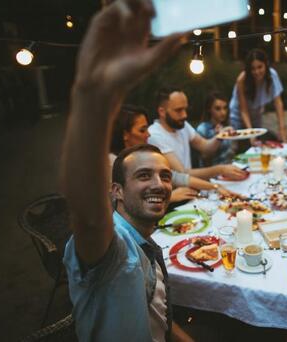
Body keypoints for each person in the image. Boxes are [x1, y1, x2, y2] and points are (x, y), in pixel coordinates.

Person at [61, 1, 193, 340]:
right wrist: (93, 96)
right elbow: (88, 218)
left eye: (164, 175)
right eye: (143, 175)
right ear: (116, 190)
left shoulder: (146, 244)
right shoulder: (114, 246)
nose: (161, 184)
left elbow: (156, 312)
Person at [111, 105, 239, 202]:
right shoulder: (111, 162)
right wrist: (170, 197)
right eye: (142, 130)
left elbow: (176, 177)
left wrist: (215, 187)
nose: (148, 134)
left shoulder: (139, 155)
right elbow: (116, 203)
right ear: (125, 134)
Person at [148, 87, 246, 180]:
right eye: (179, 110)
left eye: (185, 109)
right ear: (162, 112)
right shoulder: (155, 135)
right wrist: (220, 170)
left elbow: (205, 147)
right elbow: (182, 174)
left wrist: (220, 136)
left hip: (191, 188)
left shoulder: (182, 125)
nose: (184, 115)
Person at [229, 48, 287, 143]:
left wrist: (282, 128)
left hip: (256, 115)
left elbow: (278, 103)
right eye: (253, 68)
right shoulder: (242, 80)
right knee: (243, 144)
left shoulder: (272, 75)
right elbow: (243, 110)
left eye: (260, 67)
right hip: (238, 117)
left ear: (266, 65)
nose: (256, 72)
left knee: (258, 143)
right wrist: (250, 132)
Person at [196, 92, 235, 166]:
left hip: (229, 167)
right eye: (218, 109)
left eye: (225, 108)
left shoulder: (226, 126)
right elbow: (205, 158)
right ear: (209, 109)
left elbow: (230, 152)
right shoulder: (202, 129)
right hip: (212, 172)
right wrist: (218, 137)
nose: (223, 112)